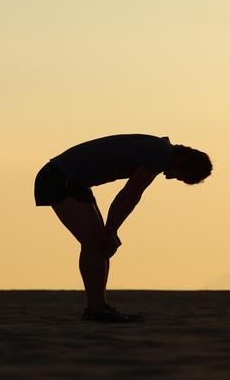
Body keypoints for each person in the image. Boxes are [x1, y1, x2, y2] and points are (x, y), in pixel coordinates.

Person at [34, 134, 212, 323]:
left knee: (100, 244)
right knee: (94, 243)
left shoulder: (160, 150)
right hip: (58, 179)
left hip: (74, 183)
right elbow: (129, 195)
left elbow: (129, 197)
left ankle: (99, 307)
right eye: (179, 176)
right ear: (183, 160)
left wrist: (110, 231)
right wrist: (111, 231)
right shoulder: (159, 154)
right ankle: (95, 310)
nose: (171, 178)